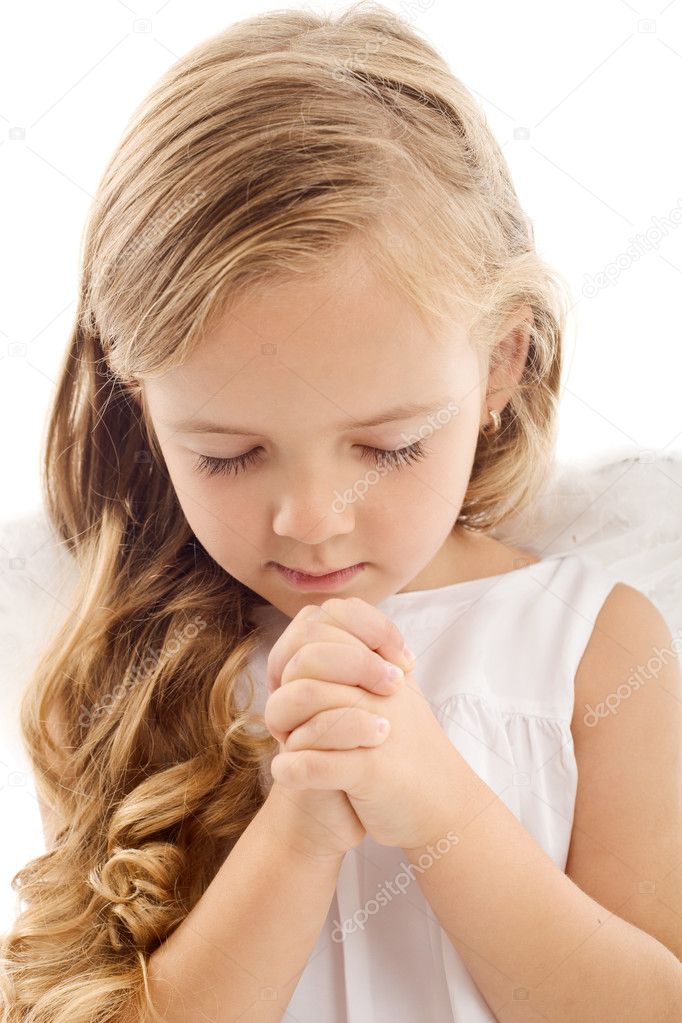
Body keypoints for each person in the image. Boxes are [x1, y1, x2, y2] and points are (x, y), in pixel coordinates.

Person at [1, 3, 680, 1021]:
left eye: (387, 446)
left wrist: (439, 809)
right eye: (227, 455)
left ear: (499, 362)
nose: (313, 521)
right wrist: (301, 826)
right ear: (141, 403)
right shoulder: (123, 666)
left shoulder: (595, 649)